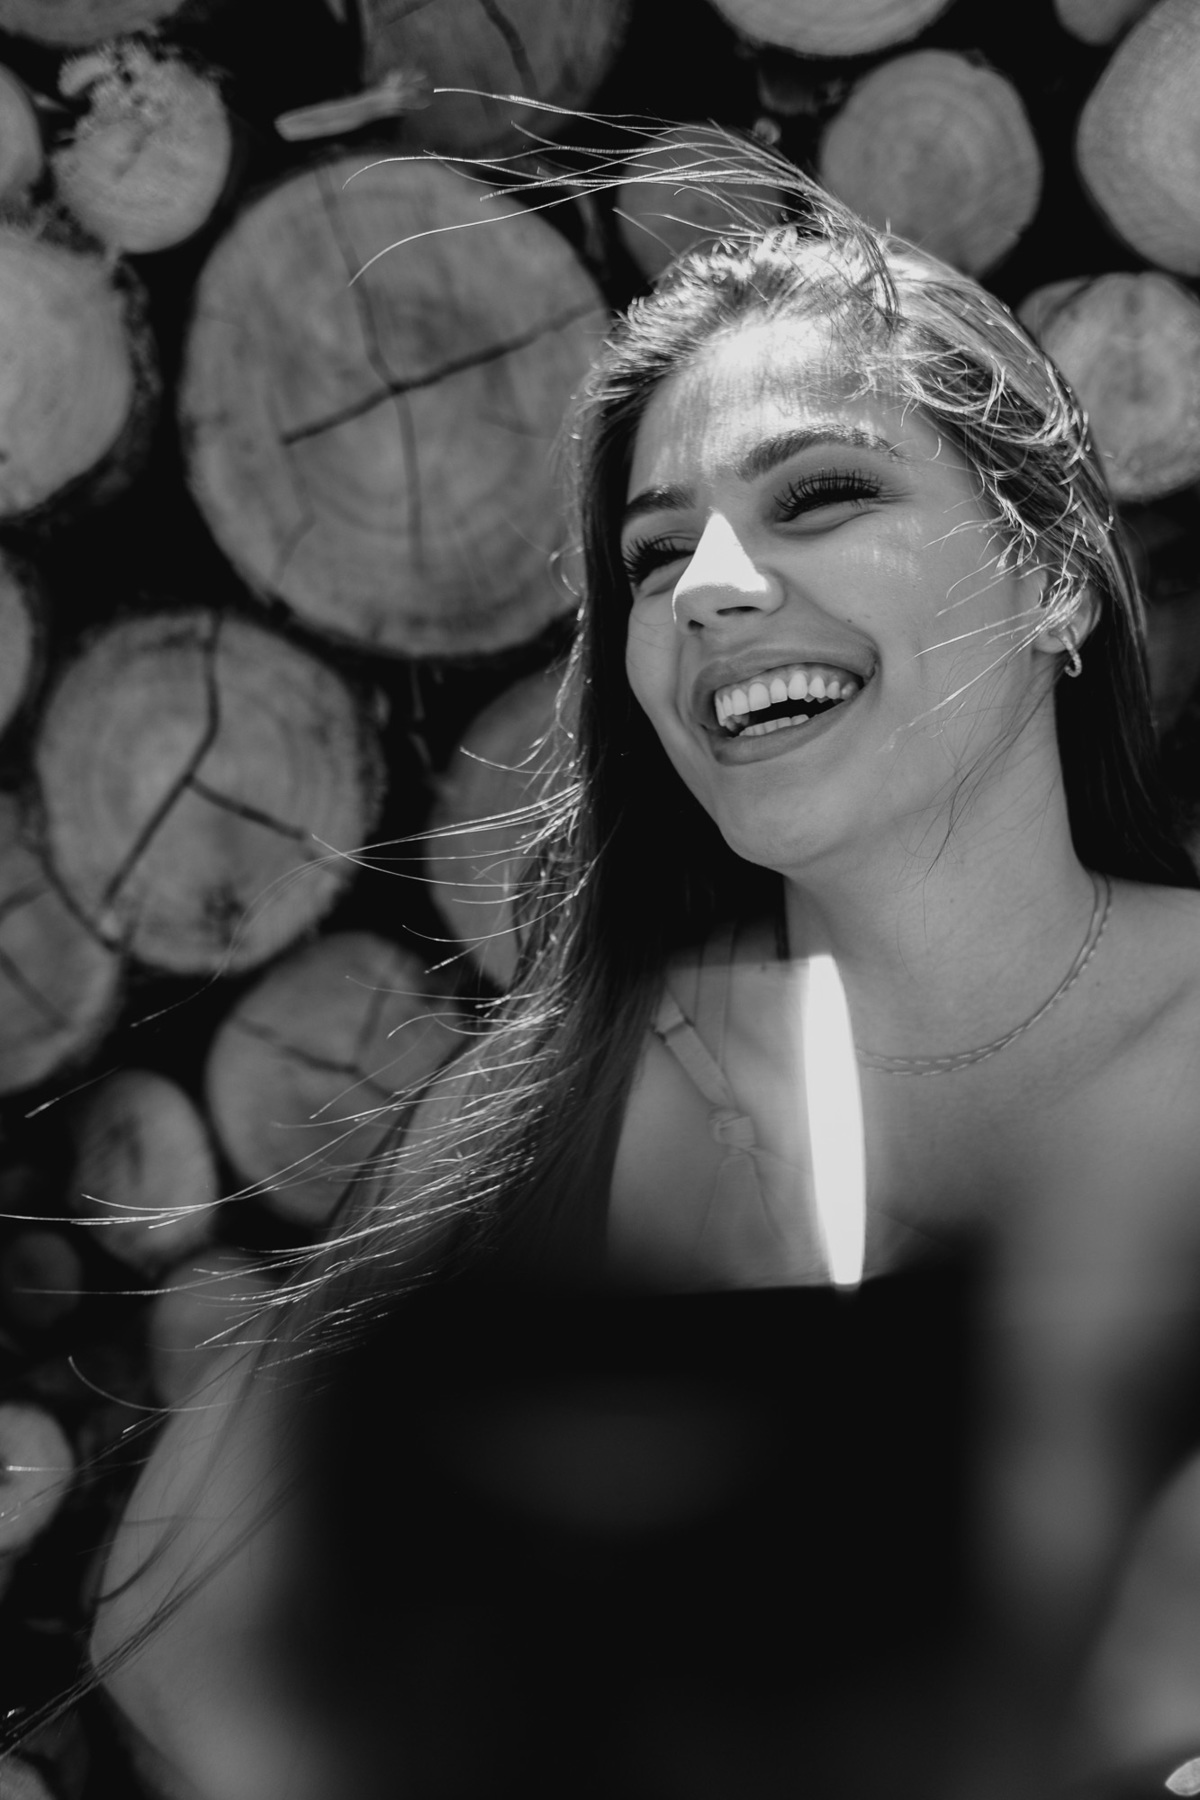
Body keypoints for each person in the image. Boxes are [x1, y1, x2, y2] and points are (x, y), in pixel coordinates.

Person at [78, 135, 1200, 1795]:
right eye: (656, 556)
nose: (709, 592)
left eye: (821, 494)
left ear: (1050, 579)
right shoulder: (589, 1088)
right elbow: (169, 1628)